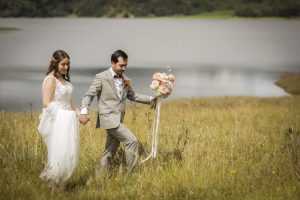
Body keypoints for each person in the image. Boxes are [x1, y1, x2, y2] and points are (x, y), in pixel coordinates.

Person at [79, 50, 156, 175]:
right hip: (108, 119)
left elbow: (133, 95)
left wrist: (152, 100)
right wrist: (83, 112)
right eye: (121, 65)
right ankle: (132, 174)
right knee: (132, 141)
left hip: (118, 119)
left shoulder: (125, 79)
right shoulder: (101, 77)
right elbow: (89, 95)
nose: (124, 68)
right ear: (113, 63)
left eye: (125, 65)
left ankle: (99, 178)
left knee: (109, 152)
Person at [38, 50, 80, 188]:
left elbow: (68, 99)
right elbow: (46, 102)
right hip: (57, 120)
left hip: (67, 119)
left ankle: (58, 183)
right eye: (63, 64)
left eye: (68, 64)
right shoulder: (51, 79)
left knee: (67, 152)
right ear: (55, 63)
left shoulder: (65, 79)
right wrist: (64, 116)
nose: (66, 67)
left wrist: (78, 113)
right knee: (58, 152)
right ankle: (53, 185)